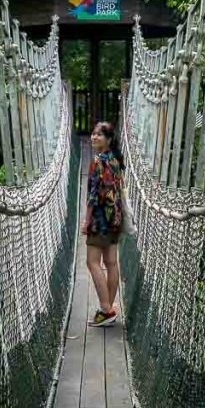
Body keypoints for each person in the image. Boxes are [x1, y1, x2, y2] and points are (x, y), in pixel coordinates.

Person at [82, 121, 126, 327]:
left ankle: (106, 310)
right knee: (111, 262)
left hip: (100, 219)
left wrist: (86, 220)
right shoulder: (116, 161)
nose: (93, 137)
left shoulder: (97, 162)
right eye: (93, 134)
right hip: (115, 217)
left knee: (92, 262)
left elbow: (92, 196)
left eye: (98, 135)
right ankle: (106, 311)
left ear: (108, 139)